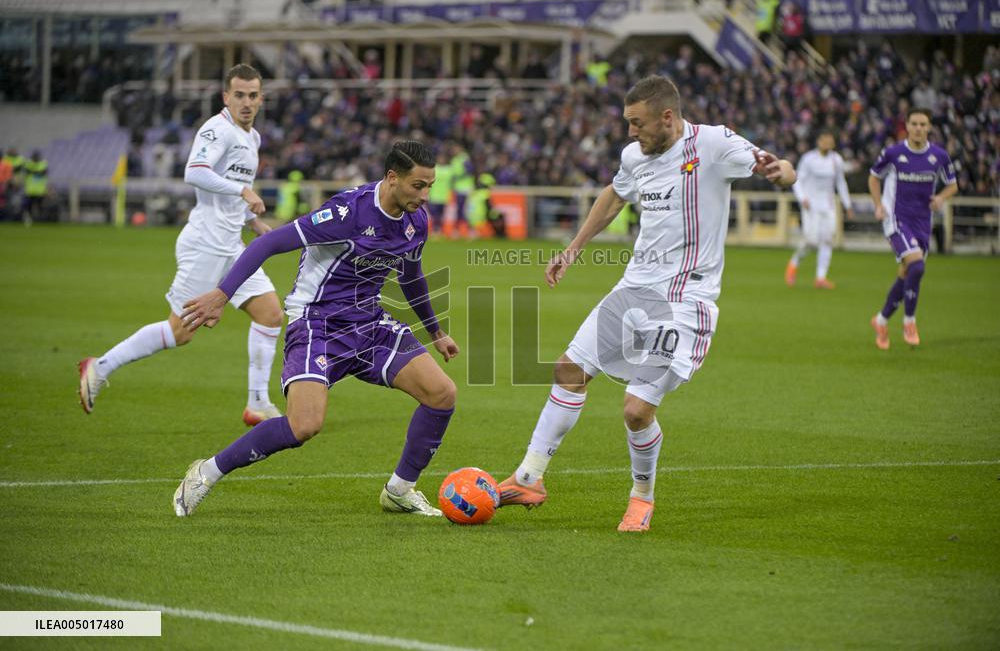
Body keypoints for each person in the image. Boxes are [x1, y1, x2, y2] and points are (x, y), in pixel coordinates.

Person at [497, 75, 795, 532]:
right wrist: (573, 248)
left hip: (685, 301)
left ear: (668, 117)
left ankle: (642, 496)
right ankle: (530, 477)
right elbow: (615, 195)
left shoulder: (713, 144)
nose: (631, 133)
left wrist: (782, 171)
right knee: (567, 370)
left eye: (637, 123)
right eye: (627, 123)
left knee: (636, 410)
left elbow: (773, 165)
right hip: (633, 289)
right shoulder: (635, 157)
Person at [173, 140, 460, 518]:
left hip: (370, 322)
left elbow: (411, 276)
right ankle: (206, 471)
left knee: (442, 393)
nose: (425, 196)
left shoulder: (416, 221)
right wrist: (223, 294)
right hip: (318, 322)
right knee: (304, 425)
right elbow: (273, 241)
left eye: (430, 186)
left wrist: (436, 331)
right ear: (392, 178)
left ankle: (400, 490)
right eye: (418, 186)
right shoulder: (348, 212)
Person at [78, 64, 285, 427]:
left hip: (231, 243)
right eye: (239, 95)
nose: (247, 102)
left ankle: (257, 402)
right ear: (226, 97)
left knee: (270, 313)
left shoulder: (252, 138)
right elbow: (195, 171)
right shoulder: (216, 129)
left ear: (261, 98)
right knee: (180, 331)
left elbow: (230, 188)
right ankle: (99, 366)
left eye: (253, 95)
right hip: (205, 243)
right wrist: (243, 190)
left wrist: (250, 220)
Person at [868, 108, 957, 350]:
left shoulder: (939, 156)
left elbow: (952, 185)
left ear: (929, 128)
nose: (918, 128)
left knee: (908, 273)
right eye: (914, 123)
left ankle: (881, 320)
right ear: (906, 126)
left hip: (922, 222)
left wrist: (941, 198)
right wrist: (878, 205)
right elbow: (874, 177)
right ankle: (909, 321)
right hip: (896, 220)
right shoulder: (894, 152)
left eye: (923, 124)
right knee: (917, 265)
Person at [785, 130, 852, 289]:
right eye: (824, 140)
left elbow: (841, 183)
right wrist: (803, 198)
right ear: (819, 141)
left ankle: (821, 278)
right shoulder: (809, 159)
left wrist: (847, 204)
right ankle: (794, 262)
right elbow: (797, 180)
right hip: (810, 205)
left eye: (830, 141)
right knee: (811, 241)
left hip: (828, 206)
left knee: (827, 240)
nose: (827, 143)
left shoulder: (836, 160)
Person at [22, 150, 48, 225]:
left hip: (40, 190)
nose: (36, 158)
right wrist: (37, 172)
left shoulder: (43, 164)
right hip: (30, 190)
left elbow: (43, 172)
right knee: (28, 206)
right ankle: (29, 219)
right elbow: (27, 171)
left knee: (40, 206)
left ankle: (40, 219)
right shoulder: (28, 164)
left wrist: (33, 171)